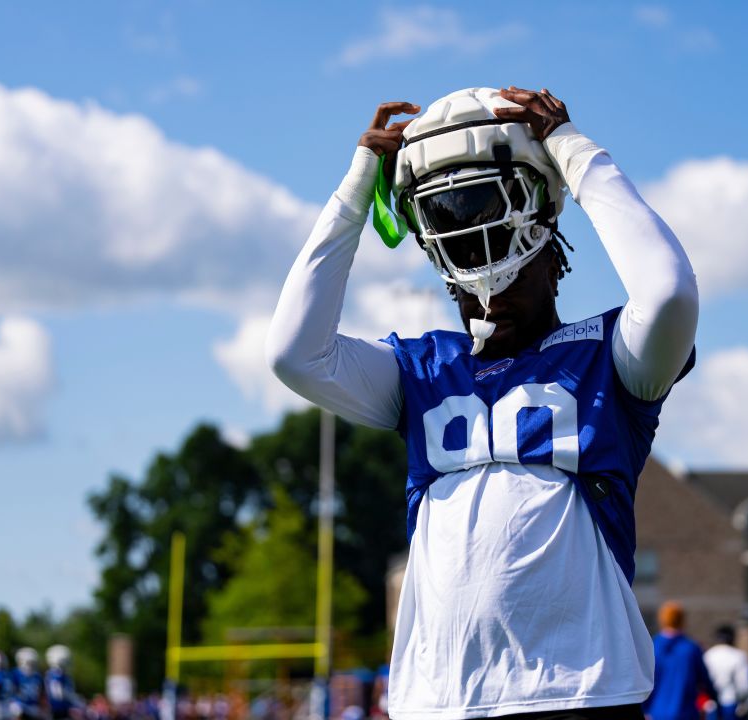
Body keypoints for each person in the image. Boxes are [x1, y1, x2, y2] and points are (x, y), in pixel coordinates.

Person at [266, 86, 698, 720]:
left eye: (508, 262)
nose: (487, 281)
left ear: (555, 262)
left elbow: (667, 295)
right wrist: (359, 186)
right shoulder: (422, 370)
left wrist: (573, 154)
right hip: (436, 699)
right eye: (467, 264)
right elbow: (295, 353)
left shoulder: (607, 356)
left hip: (580, 692)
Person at [643, 603, 716, 720]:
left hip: (656, 712)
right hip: (686, 712)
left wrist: (644, 708)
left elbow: (645, 679)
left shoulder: (652, 646)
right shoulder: (691, 648)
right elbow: (704, 681)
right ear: (682, 620)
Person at [702, 625, 748, 720]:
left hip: (711, 705)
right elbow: (744, 686)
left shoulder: (708, 655)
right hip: (731, 703)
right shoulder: (738, 656)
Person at [45, 645, 82, 719]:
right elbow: (57, 693)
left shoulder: (64, 675)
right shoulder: (56, 675)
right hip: (57, 710)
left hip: (64, 710)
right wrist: (74, 699)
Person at [11, 647, 46, 720]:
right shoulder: (16, 674)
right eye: (29, 663)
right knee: (16, 710)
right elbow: (11, 690)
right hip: (20, 703)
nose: (31, 666)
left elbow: (41, 693)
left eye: (33, 663)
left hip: (33, 705)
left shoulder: (37, 676)